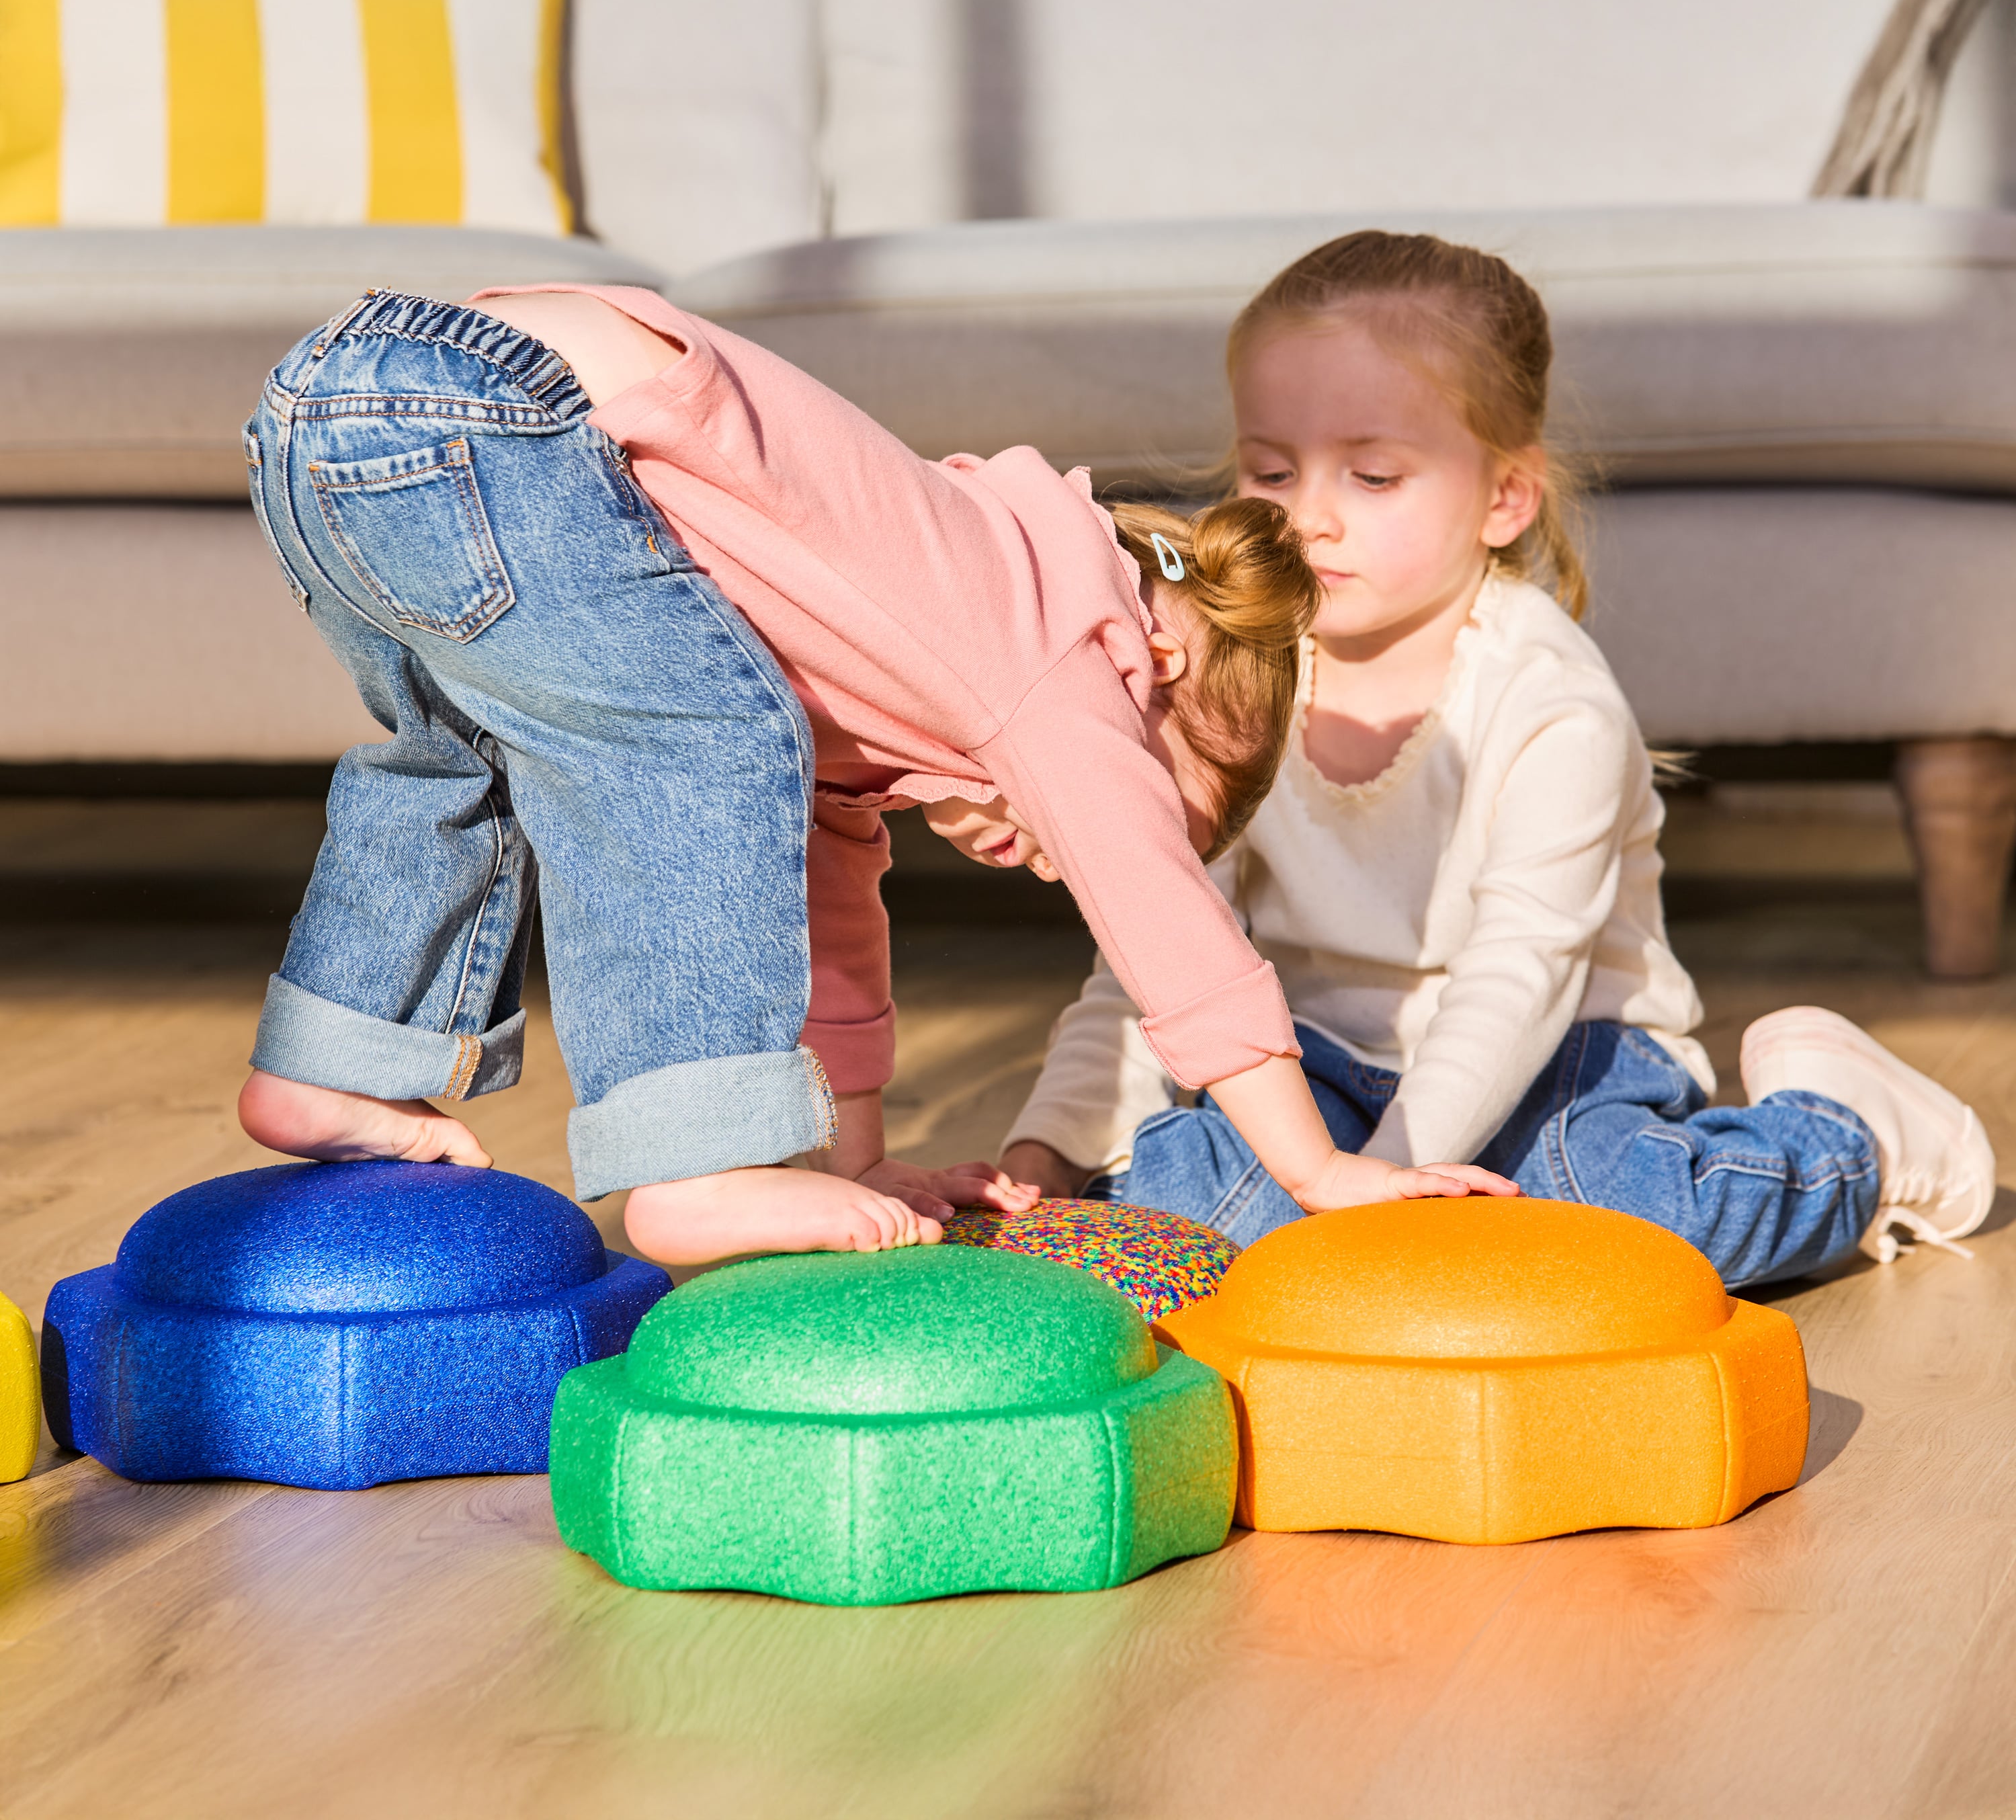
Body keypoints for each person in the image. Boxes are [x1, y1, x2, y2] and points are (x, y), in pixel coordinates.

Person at [234, 282, 1517, 1268]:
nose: (1059, 847)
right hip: (500, 416)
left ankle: (331, 1062)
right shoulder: (1062, 641)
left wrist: (861, 1161)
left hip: (329, 399)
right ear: (1162, 661)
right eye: (1131, 800)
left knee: (456, 759)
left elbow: (826, 917)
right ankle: (695, 1162)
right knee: (698, 743)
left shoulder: (883, 667)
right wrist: (1314, 1168)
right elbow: (1165, 922)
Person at [1000, 231, 1997, 1287]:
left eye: (1374, 474)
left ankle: (1847, 1135)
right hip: (1315, 1078)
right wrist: (1047, 1151)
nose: (1309, 516)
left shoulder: (1552, 701)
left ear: (1505, 498)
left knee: (1624, 1220)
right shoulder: (1234, 680)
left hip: (1562, 1057)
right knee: (1186, 1197)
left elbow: (1519, 978)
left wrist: (1369, 1193)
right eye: (1271, 469)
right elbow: (1160, 946)